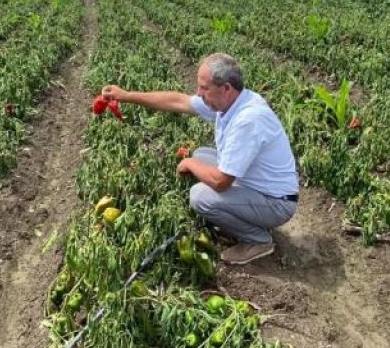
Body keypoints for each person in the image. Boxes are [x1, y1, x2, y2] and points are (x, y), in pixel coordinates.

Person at [100, 53, 298, 265]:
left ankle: (258, 240)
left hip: (276, 203)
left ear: (226, 88)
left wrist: (189, 164)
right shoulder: (232, 101)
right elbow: (179, 101)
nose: (198, 93)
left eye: (204, 88)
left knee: (200, 196)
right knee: (202, 154)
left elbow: (221, 182)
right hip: (255, 184)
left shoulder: (248, 120)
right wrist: (127, 95)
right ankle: (245, 218)